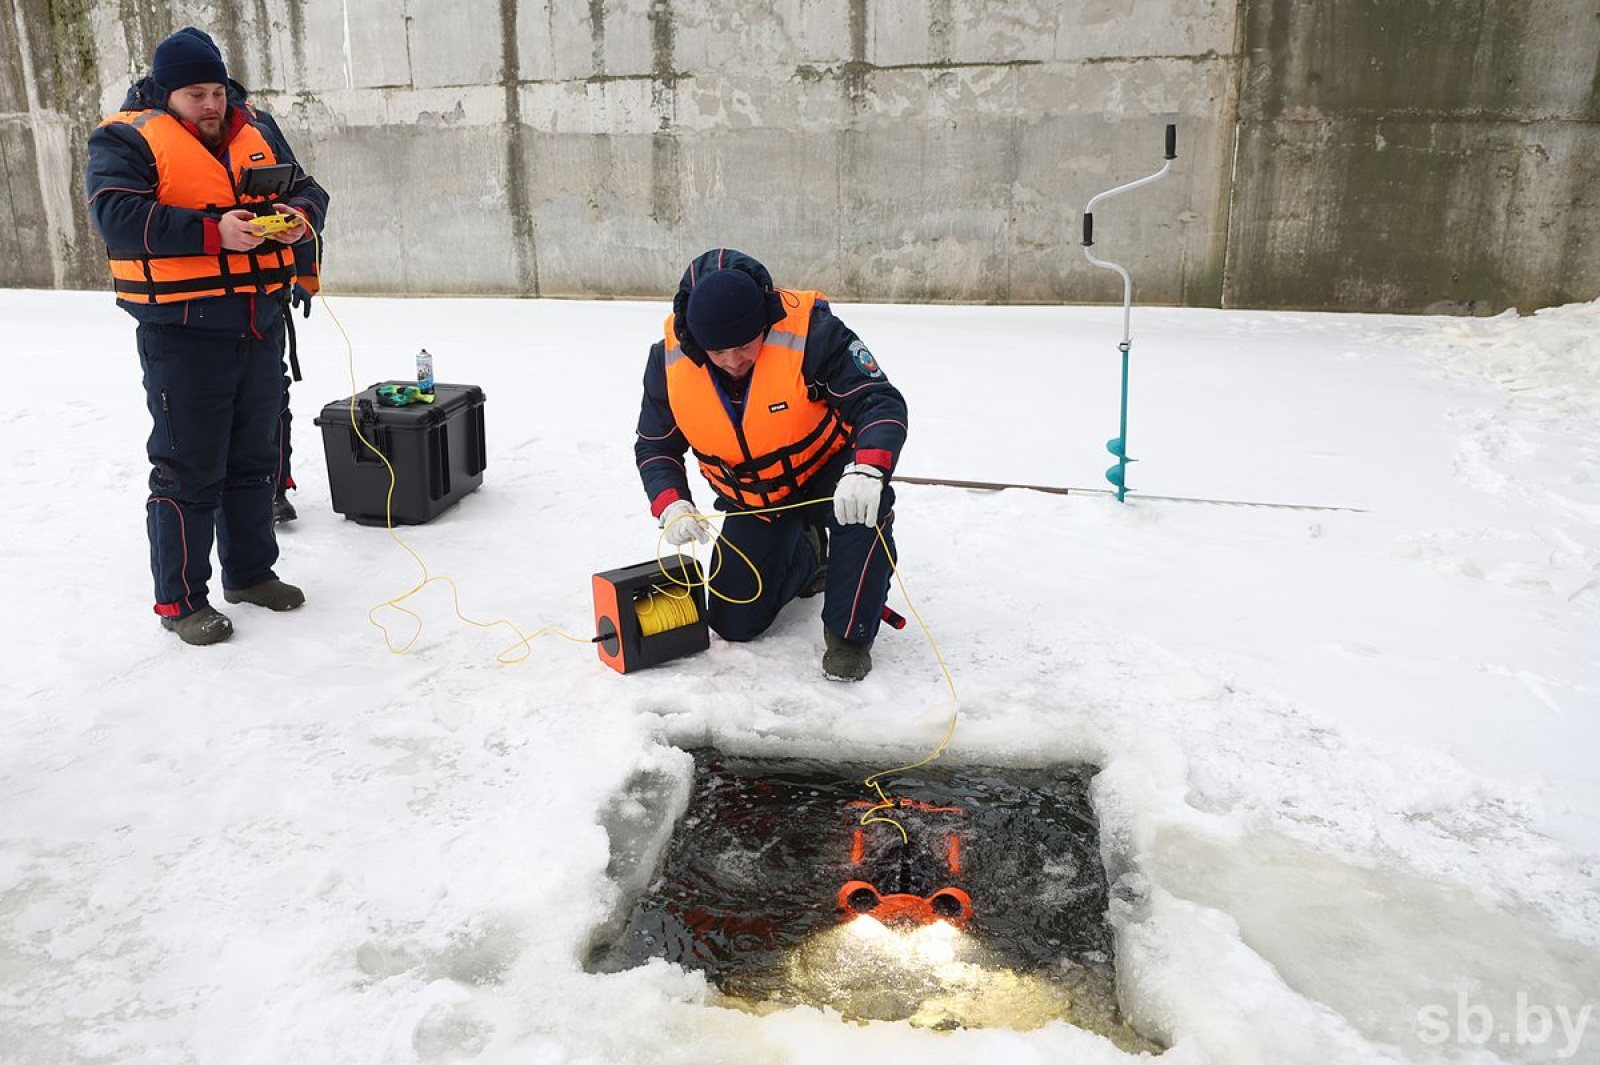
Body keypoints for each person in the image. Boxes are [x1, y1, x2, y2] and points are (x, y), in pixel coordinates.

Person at [86, 27, 329, 646]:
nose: (211, 105)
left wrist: (297, 219)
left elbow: (307, 188)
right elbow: (114, 215)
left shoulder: (258, 128)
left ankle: (250, 573)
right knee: (187, 469)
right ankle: (181, 602)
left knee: (253, 460)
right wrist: (212, 232)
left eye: (217, 91)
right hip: (183, 335)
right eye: (196, 94)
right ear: (168, 94)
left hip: (258, 322)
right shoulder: (126, 138)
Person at [634, 249, 909, 681]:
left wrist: (867, 468)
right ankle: (807, 555)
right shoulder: (667, 363)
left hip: (828, 474)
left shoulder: (815, 335)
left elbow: (880, 402)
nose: (733, 361)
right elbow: (655, 446)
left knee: (863, 510)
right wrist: (672, 504)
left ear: (763, 323)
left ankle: (848, 637)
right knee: (733, 622)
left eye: (745, 346)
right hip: (755, 496)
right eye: (718, 351)